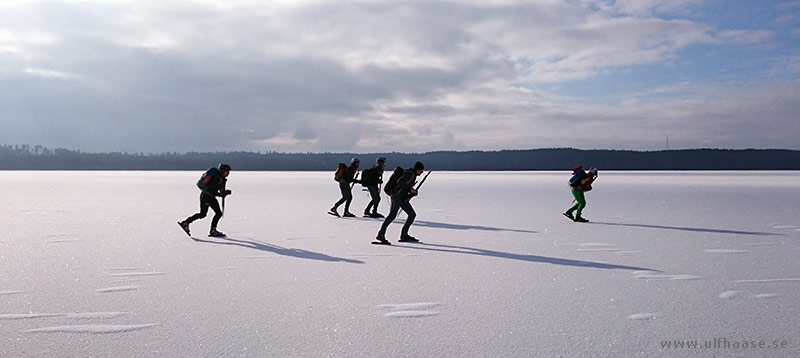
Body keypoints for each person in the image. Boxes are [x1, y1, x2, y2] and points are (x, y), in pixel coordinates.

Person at [375, 161, 425, 244]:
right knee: (392, 215)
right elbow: (400, 182)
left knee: (412, 214)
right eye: (421, 170)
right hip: (397, 196)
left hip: (401, 197)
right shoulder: (410, 174)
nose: (422, 172)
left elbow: (405, 184)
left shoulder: (412, 174)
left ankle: (404, 234)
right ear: (417, 169)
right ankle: (381, 234)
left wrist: (411, 192)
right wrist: (410, 189)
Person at [179, 163, 232, 237]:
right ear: (222, 170)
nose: (228, 173)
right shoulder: (215, 176)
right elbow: (206, 187)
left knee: (218, 213)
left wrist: (225, 193)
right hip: (206, 197)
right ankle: (186, 222)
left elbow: (221, 191)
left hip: (211, 197)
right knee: (202, 214)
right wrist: (218, 194)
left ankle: (213, 230)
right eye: (227, 172)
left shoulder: (222, 179)